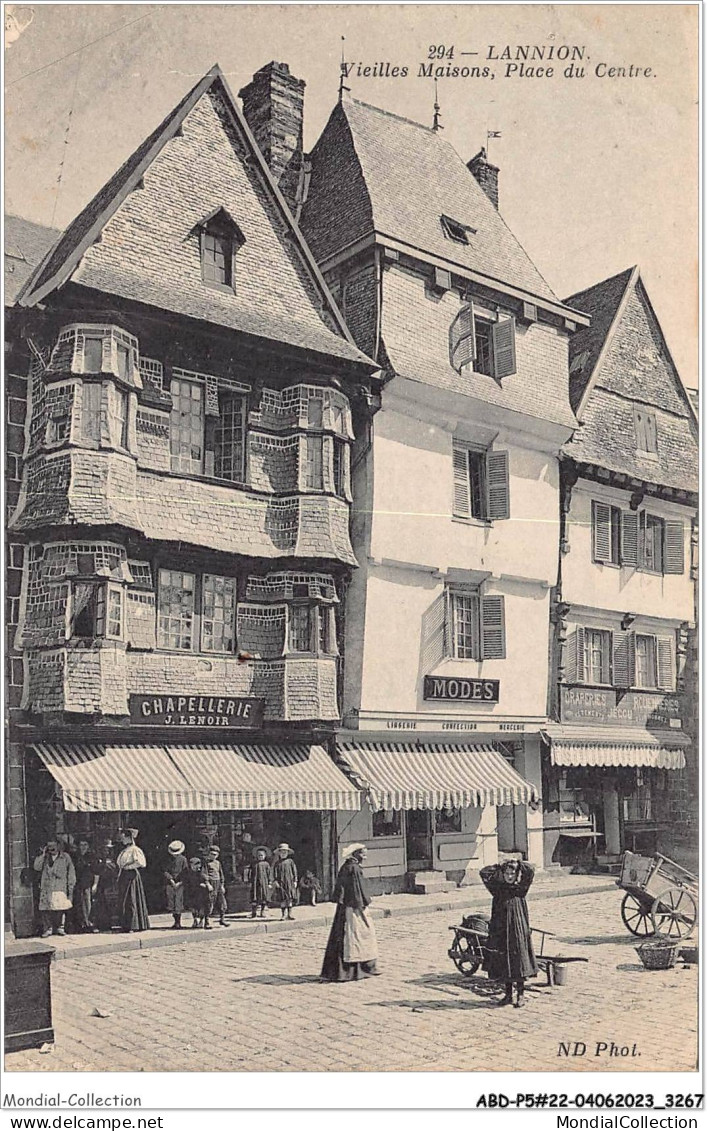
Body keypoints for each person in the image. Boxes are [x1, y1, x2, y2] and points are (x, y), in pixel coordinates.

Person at [479, 857, 538, 1008]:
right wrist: (499, 865)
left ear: (516, 874)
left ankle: (521, 995)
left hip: (517, 929)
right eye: (506, 873)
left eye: (512, 873)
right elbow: (484, 872)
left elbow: (530, 870)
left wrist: (517, 862)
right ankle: (508, 994)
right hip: (501, 929)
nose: (509, 876)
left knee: (518, 959)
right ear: (502, 874)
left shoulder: (520, 889)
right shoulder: (497, 889)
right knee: (504, 961)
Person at [321, 844, 380, 982]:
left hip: (346, 906)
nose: (364, 857)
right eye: (362, 854)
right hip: (353, 907)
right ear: (355, 854)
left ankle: (353, 969)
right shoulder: (353, 869)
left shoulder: (347, 866)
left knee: (348, 936)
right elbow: (356, 890)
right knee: (356, 936)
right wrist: (363, 904)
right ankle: (354, 970)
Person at [33, 840, 76, 938]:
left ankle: (60, 927)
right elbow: (36, 867)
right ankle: (48, 929)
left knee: (60, 908)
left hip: (60, 886)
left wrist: (71, 886)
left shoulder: (65, 857)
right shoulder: (45, 858)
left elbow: (71, 872)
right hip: (47, 887)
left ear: (58, 846)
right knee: (46, 909)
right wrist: (43, 855)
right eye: (49, 846)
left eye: (53, 846)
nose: (51, 848)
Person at [115, 828, 150, 932]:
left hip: (131, 876)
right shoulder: (125, 850)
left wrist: (128, 867)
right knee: (125, 900)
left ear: (129, 838)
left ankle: (133, 925)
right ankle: (125, 924)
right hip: (124, 876)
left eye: (123, 837)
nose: (122, 840)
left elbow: (141, 863)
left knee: (131, 900)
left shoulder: (135, 849)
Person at [73, 837, 99, 933]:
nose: (83, 847)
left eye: (85, 845)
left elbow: (96, 872)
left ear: (88, 846)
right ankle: (81, 924)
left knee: (88, 904)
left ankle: (90, 924)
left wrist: (95, 884)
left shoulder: (92, 857)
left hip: (88, 883)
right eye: (81, 845)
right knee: (79, 904)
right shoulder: (76, 857)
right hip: (78, 883)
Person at [93, 839, 119, 930]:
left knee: (111, 904)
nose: (106, 851)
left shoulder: (113, 859)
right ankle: (101, 924)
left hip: (111, 883)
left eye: (108, 849)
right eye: (104, 849)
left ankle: (111, 923)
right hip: (102, 884)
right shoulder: (99, 860)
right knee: (101, 904)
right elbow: (97, 871)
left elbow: (116, 870)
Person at [163, 840, 188, 929]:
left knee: (178, 901)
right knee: (171, 901)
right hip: (170, 883)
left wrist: (180, 882)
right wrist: (171, 880)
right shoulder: (168, 860)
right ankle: (174, 919)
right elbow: (165, 871)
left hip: (180, 883)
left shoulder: (183, 859)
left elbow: (185, 872)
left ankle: (178, 922)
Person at [272, 843, 298, 920]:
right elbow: (275, 873)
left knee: (289, 898)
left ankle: (290, 914)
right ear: (279, 853)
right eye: (281, 852)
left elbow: (294, 871)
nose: (283, 854)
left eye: (285, 852)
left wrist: (295, 880)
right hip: (281, 883)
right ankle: (283, 915)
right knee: (282, 899)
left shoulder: (290, 862)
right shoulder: (277, 863)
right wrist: (275, 881)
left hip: (289, 882)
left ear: (287, 853)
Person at [183, 856, 211, 928]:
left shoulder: (201, 871)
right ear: (191, 865)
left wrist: (206, 884)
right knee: (193, 907)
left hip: (201, 892)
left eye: (198, 864)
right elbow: (185, 880)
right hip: (191, 891)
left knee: (202, 906)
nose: (197, 867)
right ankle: (195, 920)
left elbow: (205, 878)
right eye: (195, 864)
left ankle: (203, 921)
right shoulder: (187, 871)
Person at [209, 846, 229, 927]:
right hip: (211, 883)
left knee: (222, 902)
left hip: (218, 883)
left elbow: (221, 874)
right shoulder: (206, 863)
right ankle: (206, 921)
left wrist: (222, 885)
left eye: (215, 855)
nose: (213, 856)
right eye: (212, 854)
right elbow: (204, 874)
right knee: (210, 902)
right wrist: (207, 883)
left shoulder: (218, 863)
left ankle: (222, 919)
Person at [250, 847, 272, 918]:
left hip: (264, 883)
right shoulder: (254, 864)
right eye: (259, 855)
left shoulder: (266, 864)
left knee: (263, 897)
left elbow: (269, 874)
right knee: (254, 897)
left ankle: (262, 912)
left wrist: (269, 882)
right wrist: (250, 880)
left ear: (265, 856)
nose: (260, 857)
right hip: (255, 883)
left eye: (262, 855)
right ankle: (254, 912)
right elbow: (250, 873)